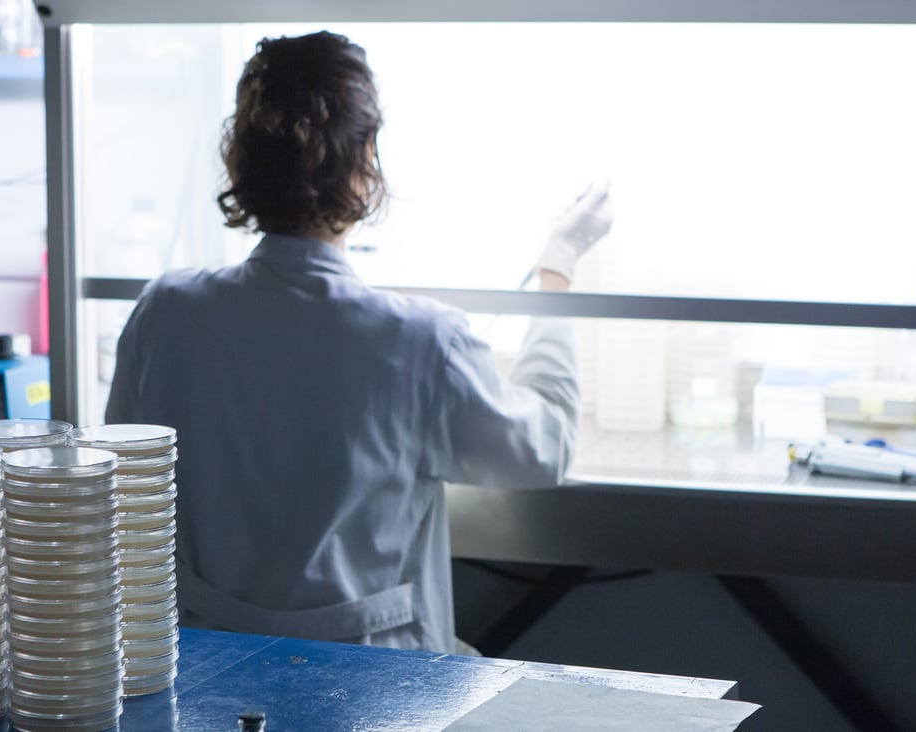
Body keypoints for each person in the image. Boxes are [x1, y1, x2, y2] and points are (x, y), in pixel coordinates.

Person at [105, 30, 613, 654]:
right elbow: (544, 449)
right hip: (380, 689)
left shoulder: (166, 312)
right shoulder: (421, 341)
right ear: (365, 162)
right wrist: (557, 270)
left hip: (209, 676)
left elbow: (123, 482)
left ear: (240, 161)